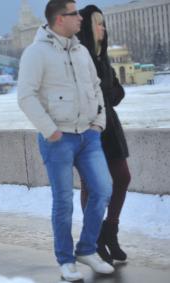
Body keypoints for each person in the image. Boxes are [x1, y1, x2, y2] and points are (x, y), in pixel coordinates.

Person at [17, 0, 114, 281]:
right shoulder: (36, 54)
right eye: (75, 14)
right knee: (63, 202)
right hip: (58, 139)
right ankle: (65, 260)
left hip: (88, 135)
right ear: (60, 19)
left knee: (103, 190)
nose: (81, 19)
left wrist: (99, 122)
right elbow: (26, 96)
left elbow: (95, 87)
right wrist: (51, 130)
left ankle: (87, 248)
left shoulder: (81, 51)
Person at [77, 5, 131, 265]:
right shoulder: (79, 56)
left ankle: (110, 231)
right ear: (87, 27)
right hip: (88, 129)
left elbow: (115, 93)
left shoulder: (102, 57)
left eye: (104, 23)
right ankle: (95, 238)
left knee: (122, 177)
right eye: (98, 24)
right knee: (93, 186)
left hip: (111, 127)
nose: (103, 28)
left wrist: (111, 92)